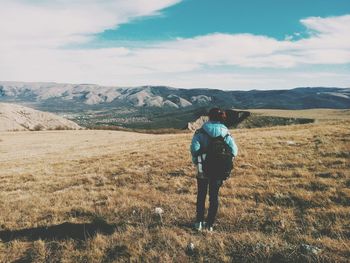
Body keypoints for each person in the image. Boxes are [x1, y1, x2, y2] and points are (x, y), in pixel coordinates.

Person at [190, 108, 238, 231]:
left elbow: (194, 150)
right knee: (214, 197)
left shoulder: (200, 132)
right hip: (218, 170)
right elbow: (234, 151)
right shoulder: (226, 133)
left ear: (209, 117)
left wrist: (197, 159)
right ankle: (210, 224)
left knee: (201, 196)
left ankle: (199, 223)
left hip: (202, 169)